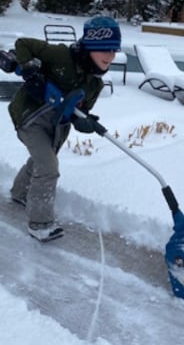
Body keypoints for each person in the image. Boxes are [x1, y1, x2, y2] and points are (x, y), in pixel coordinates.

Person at [8, 16, 121, 242]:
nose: (110, 56)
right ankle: (39, 224)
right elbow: (23, 45)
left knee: (41, 161)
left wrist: (85, 122)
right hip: (29, 117)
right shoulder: (61, 56)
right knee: (48, 166)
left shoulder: (94, 84)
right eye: (104, 49)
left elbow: (81, 111)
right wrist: (30, 70)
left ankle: (19, 194)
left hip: (57, 127)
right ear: (89, 47)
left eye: (114, 50)